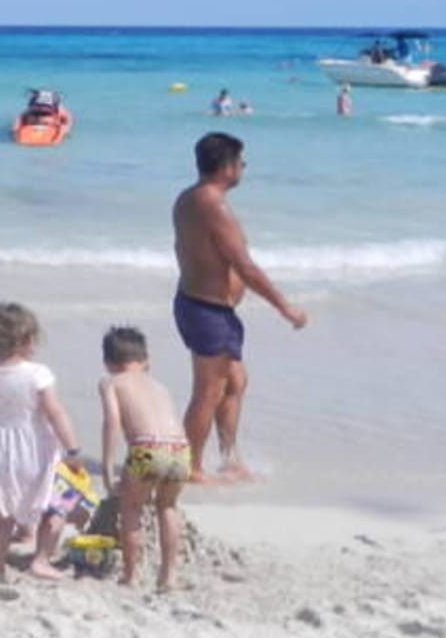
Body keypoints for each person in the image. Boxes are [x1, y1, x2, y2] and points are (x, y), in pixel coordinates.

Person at [172, 132, 309, 482]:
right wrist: (285, 307)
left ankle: (229, 458)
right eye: (241, 162)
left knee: (235, 381)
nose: (243, 168)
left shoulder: (189, 198)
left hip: (201, 305)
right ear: (227, 167)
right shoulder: (213, 205)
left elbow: (186, 250)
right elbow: (245, 267)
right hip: (207, 310)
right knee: (209, 390)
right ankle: (190, 468)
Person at [0, 302, 82, 584]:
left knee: (1, 512)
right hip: (35, 449)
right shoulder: (37, 374)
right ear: (28, 338)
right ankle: (41, 559)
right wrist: (72, 449)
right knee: (57, 504)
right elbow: (55, 413)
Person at [98, 326, 191, 591]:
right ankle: (168, 576)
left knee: (131, 508)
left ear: (108, 363)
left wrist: (107, 469)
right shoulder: (160, 386)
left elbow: (112, 423)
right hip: (180, 449)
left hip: (147, 447)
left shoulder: (111, 382)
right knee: (168, 507)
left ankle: (131, 576)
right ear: (146, 360)